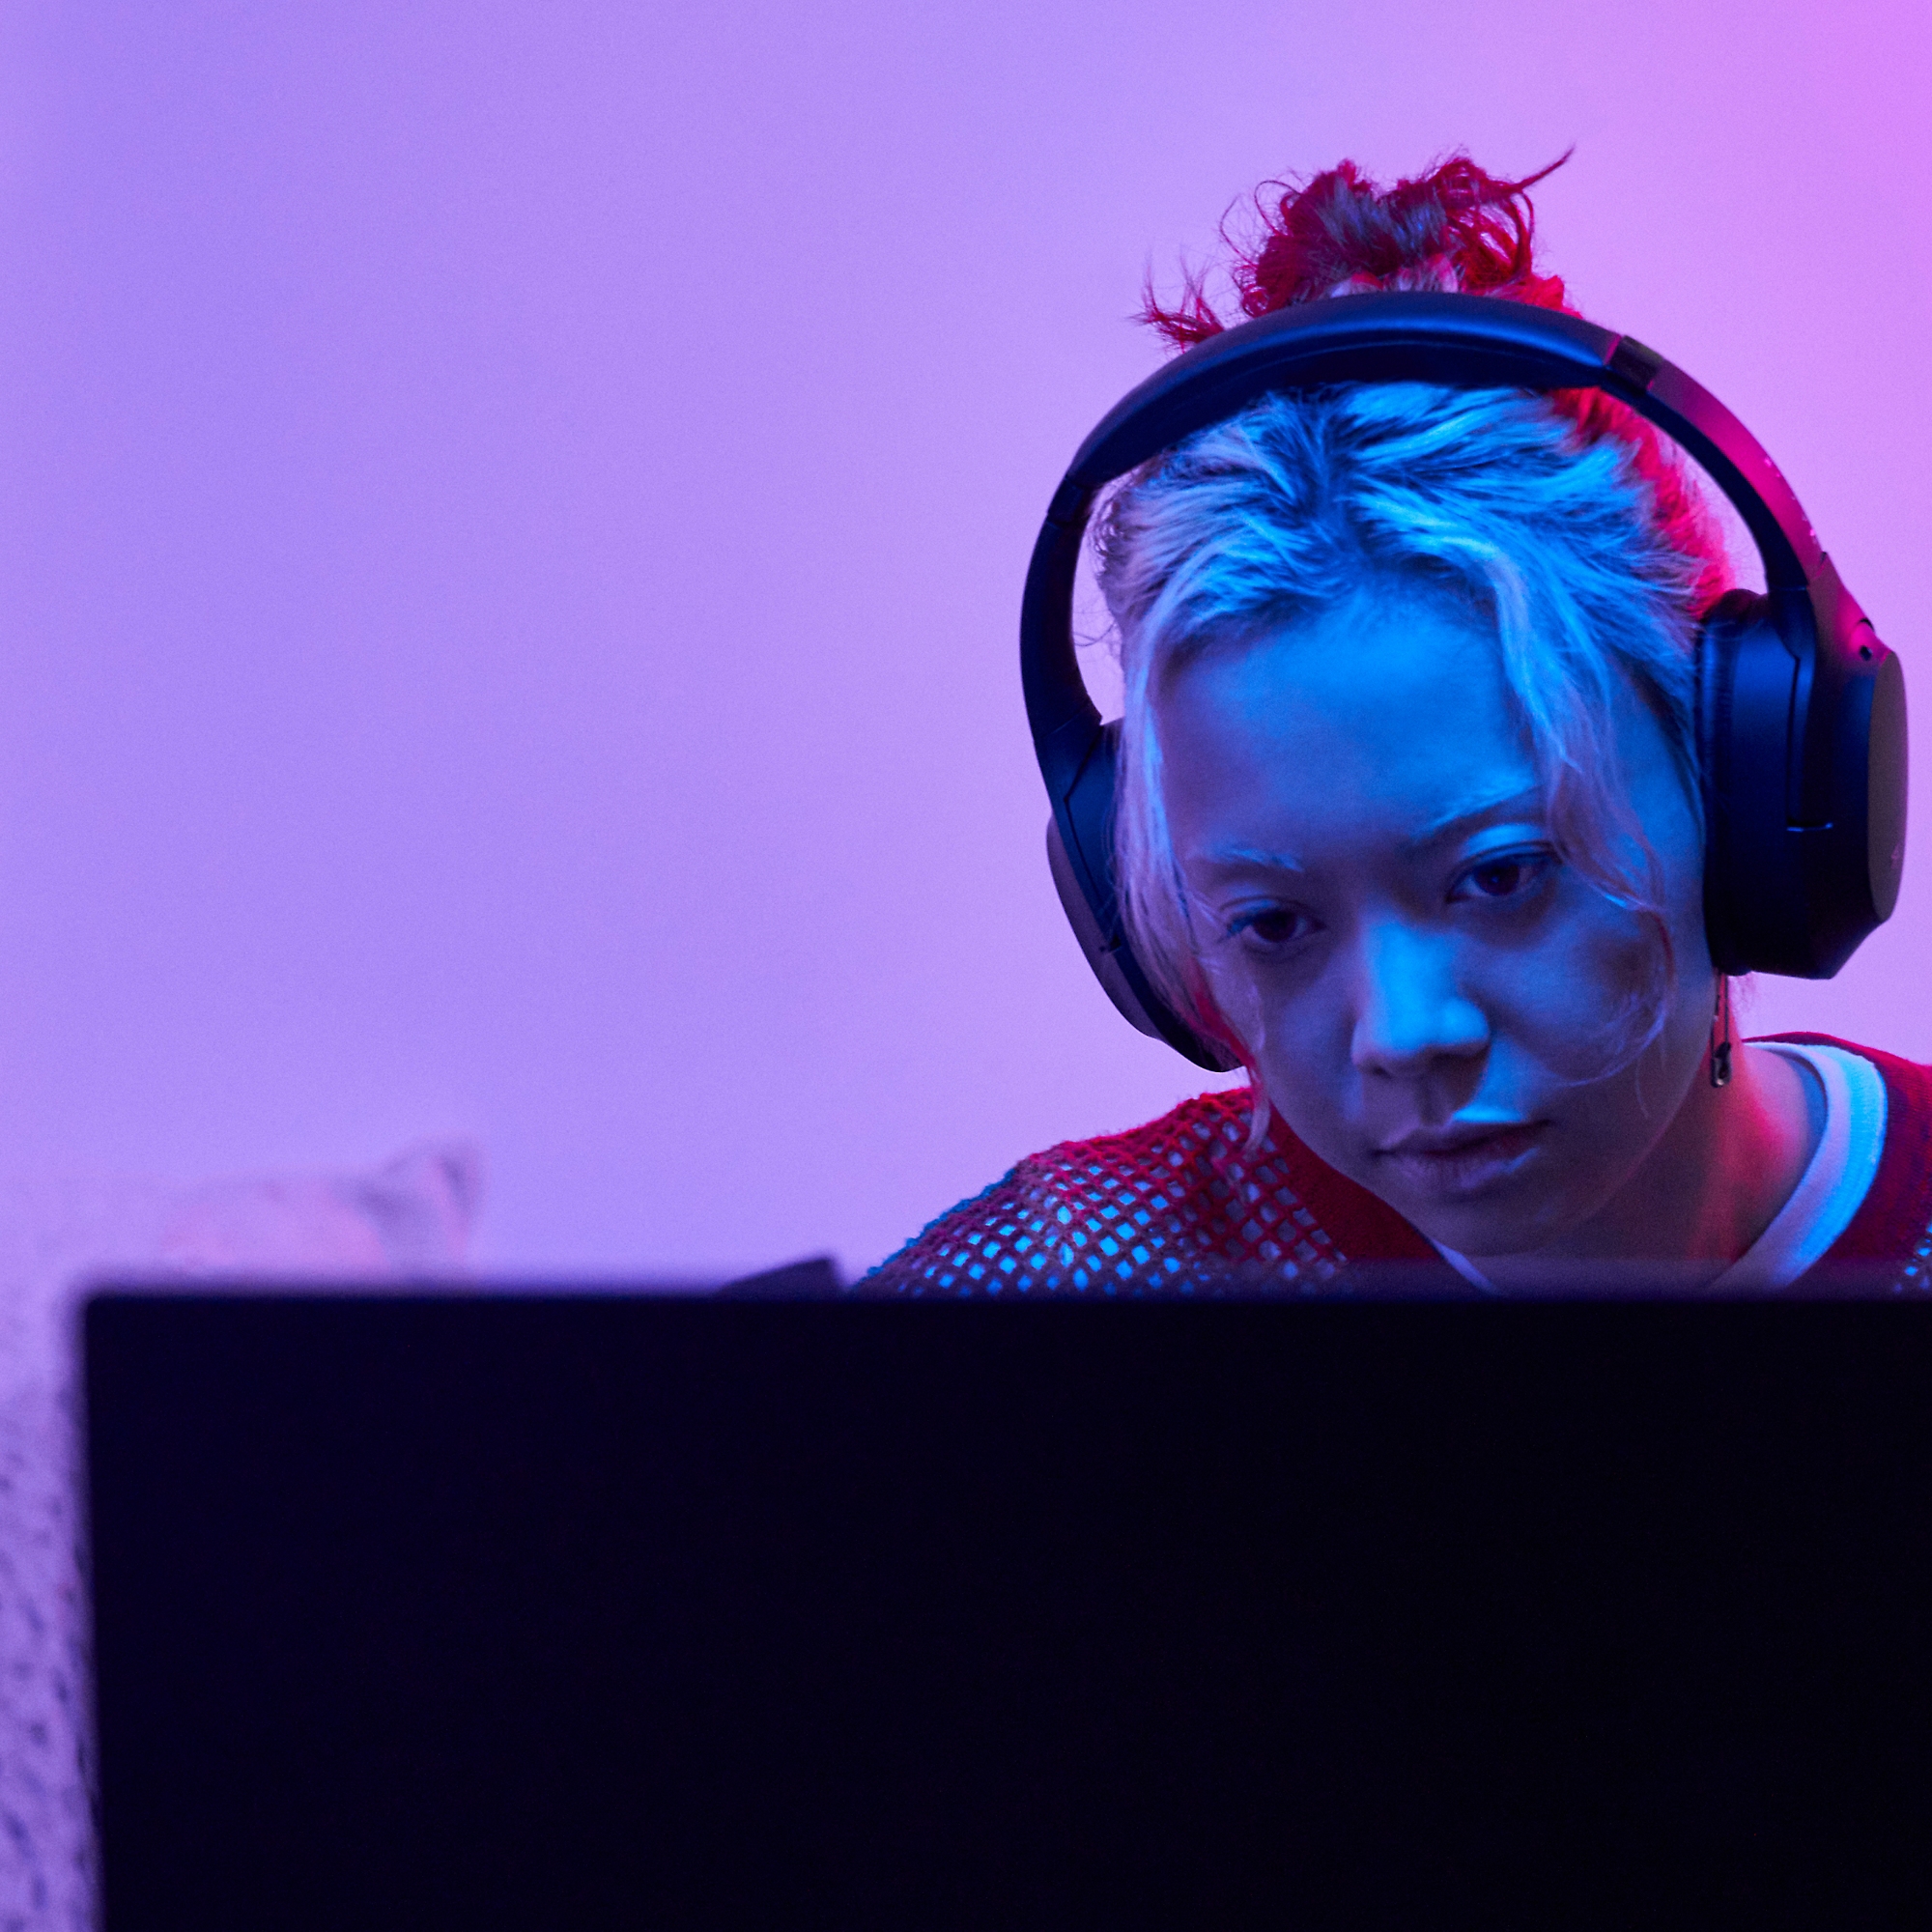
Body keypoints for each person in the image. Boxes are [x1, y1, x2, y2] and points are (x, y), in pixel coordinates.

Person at [869, 156, 1932, 1295]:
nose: (1400, 1035)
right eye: (1274, 925)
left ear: (1742, 802)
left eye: (1498, 875)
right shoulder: (1057, 1292)